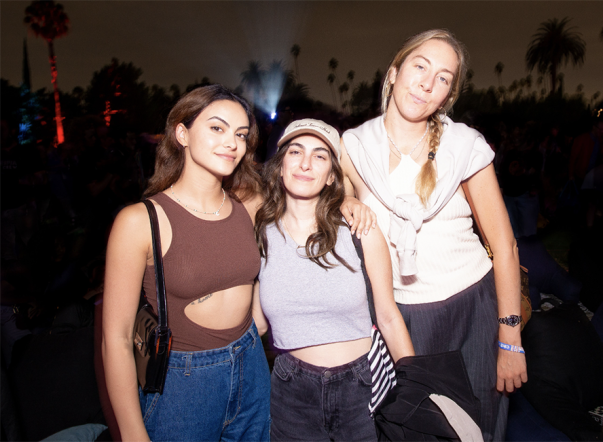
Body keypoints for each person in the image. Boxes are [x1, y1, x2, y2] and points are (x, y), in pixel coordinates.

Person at [340, 29, 527, 442]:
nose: (428, 82)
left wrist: (510, 338)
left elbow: (504, 246)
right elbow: (332, 202)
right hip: (397, 319)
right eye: (420, 67)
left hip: (471, 311)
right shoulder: (352, 147)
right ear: (393, 74)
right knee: (411, 429)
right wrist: (343, 202)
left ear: (448, 95)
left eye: (443, 77)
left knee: (477, 428)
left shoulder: (465, 146)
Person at [102, 85, 270, 442]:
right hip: (184, 383)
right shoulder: (139, 221)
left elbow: (309, 200)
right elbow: (115, 339)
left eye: (241, 134)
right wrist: (132, 433)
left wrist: (351, 203)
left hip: (252, 362)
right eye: (217, 128)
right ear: (182, 133)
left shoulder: (249, 203)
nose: (232, 143)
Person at [254, 119, 414, 441]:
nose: (305, 163)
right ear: (280, 166)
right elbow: (256, 323)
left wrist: (415, 384)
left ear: (331, 176)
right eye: (295, 151)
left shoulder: (359, 229)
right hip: (291, 391)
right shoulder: (259, 236)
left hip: (362, 384)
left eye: (320, 156)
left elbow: (388, 316)